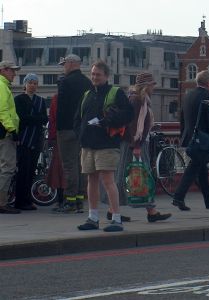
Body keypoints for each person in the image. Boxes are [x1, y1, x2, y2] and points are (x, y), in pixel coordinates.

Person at [75, 60, 133, 232]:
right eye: (92, 74)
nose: (94, 77)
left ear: (106, 76)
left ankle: (116, 219)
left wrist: (110, 120)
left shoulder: (116, 93)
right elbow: (77, 118)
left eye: (98, 75)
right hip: (88, 144)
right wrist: (80, 133)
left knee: (108, 180)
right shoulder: (87, 94)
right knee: (91, 180)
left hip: (107, 143)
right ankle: (92, 218)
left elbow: (129, 114)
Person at [122, 72, 172, 222]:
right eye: (152, 85)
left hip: (132, 142)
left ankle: (114, 210)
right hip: (135, 143)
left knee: (126, 175)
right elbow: (135, 124)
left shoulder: (137, 98)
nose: (154, 87)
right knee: (143, 175)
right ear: (146, 86)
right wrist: (136, 145)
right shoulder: (138, 99)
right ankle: (151, 211)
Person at [172, 70, 209, 211]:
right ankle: (178, 196)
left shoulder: (188, 95)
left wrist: (183, 136)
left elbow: (182, 118)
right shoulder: (208, 95)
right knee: (194, 168)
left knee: (202, 170)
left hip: (190, 137)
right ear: (208, 83)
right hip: (203, 138)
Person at [56, 54, 92, 213]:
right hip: (82, 129)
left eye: (64, 64)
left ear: (71, 64)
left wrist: (58, 127)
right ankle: (79, 201)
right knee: (80, 165)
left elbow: (61, 108)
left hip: (66, 128)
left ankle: (69, 202)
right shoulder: (87, 82)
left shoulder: (65, 82)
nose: (63, 67)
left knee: (69, 165)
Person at [14, 73, 48, 210]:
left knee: (31, 171)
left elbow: (45, 119)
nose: (33, 85)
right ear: (25, 84)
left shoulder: (41, 100)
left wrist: (33, 118)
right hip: (23, 139)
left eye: (35, 83)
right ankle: (20, 201)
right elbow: (21, 118)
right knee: (23, 170)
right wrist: (36, 118)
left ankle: (28, 200)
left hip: (36, 140)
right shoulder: (19, 99)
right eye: (30, 83)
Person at [0, 61, 21, 214]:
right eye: (12, 71)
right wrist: (12, 130)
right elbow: (3, 111)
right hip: (5, 134)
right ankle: (2, 203)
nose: (14, 74)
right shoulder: (2, 86)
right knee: (7, 168)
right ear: (3, 70)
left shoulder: (3, 86)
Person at [47, 93, 66, 210]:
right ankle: (72, 199)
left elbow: (53, 119)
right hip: (74, 137)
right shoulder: (79, 96)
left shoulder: (57, 98)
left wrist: (52, 137)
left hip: (59, 137)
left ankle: (61, 199)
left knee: (58, 169)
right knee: (70, 169)